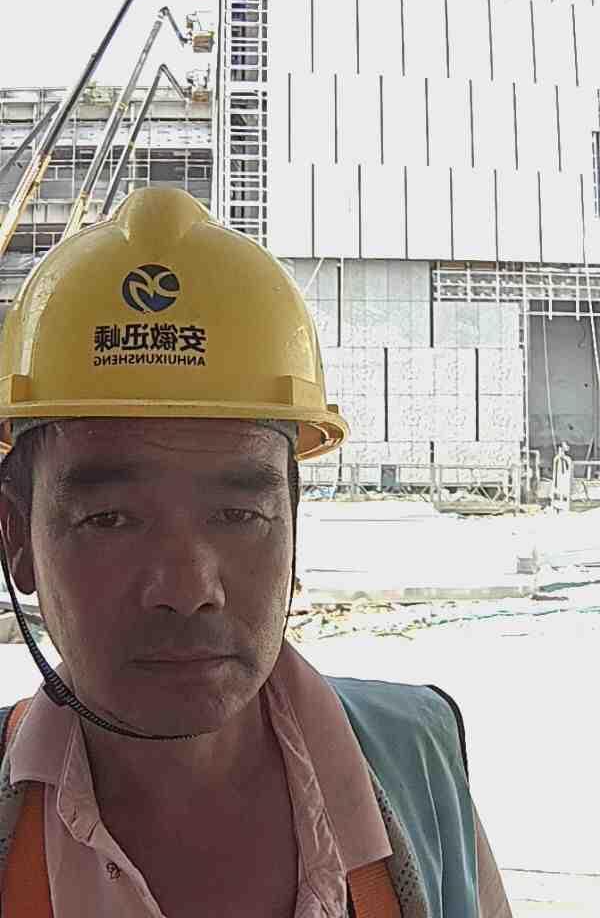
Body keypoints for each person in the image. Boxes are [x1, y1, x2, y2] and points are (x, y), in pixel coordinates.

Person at [0, 187, 512, 917]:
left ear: (293, 526)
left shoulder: (418, 763)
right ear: (16, 536)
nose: (188, 588)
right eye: (110, 519)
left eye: (240, 515)